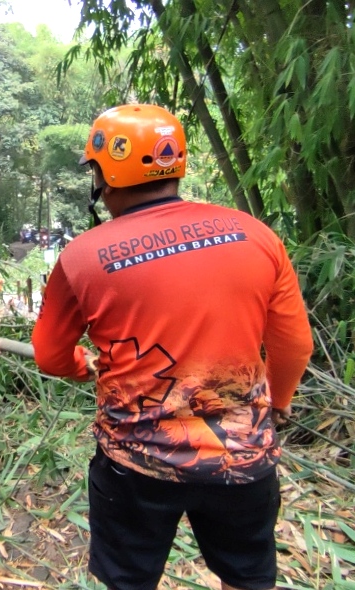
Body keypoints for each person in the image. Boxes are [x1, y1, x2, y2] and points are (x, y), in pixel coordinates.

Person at [30, 104, 313, 590]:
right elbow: (295, 347)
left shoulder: (81, 257)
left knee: (129, 581)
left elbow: (50, 355)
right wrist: (277, 405)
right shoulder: (257, 235)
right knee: (247, 580)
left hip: (135, 465)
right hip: (242, 460)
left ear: (105, 174)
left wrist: (85, 366)